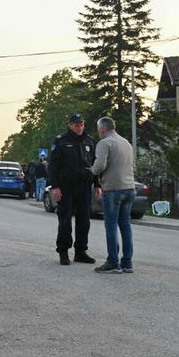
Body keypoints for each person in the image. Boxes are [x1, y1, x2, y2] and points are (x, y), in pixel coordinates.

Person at [48, 113, 100, 265]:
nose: (80, 127)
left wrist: (97, 184)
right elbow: (53, 166)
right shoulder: (61, 141)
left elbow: (95, 165)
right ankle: (63, 251)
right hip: (65, 187)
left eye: (82, 124)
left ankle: (81, 251)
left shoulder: (89, 141)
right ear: (70, 125)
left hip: (84, 186)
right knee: (65, 220)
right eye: (77, 124)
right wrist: (55, 186)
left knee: (84, 221)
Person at [90, 116, 135, 274]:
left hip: (113, 189)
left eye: (98, 130)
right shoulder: (126, 143)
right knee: (125, 226)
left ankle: (113, 262)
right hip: (129, 188)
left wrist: (91, 170)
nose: (98, 132)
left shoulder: (104, 143)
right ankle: (127, 263)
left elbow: (100, 165)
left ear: (102, 129)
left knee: (111, 226)